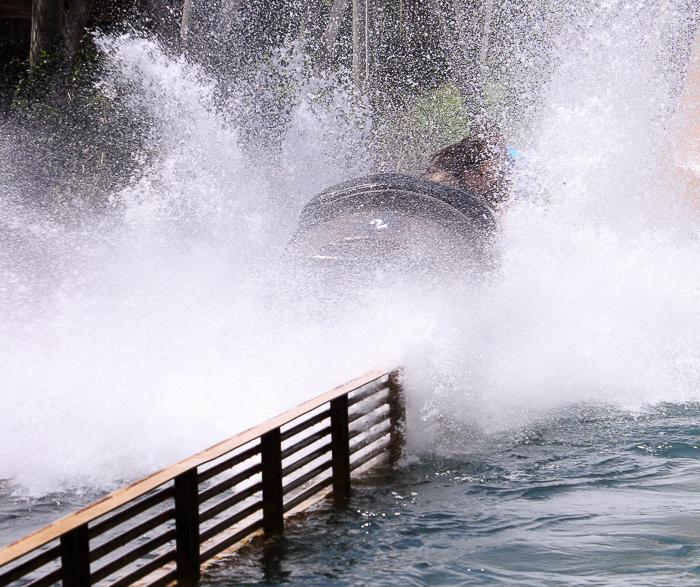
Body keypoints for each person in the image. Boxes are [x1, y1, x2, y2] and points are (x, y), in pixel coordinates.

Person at [420, 122, 511, 210]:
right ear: (466, 171)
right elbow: (422, 190)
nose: (489, 180)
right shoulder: (445, 178)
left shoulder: (498, 184)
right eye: (482, 175)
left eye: (492, 173)